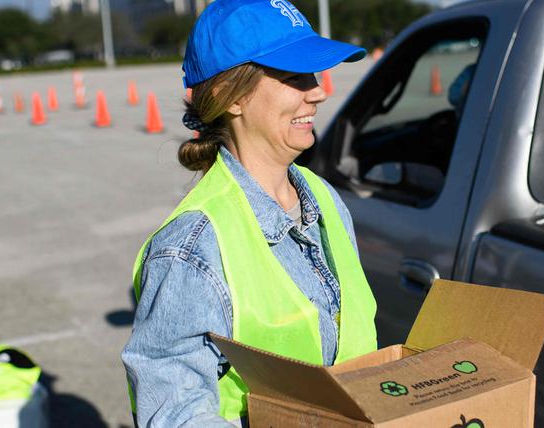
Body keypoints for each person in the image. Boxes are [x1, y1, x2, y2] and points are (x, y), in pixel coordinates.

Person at [120, 0, 378, 426]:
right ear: (230, 96)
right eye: (295, 77)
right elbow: (174, 414)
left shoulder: (322, 196)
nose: (319, 91)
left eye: (312, 75)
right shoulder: (191, 248)